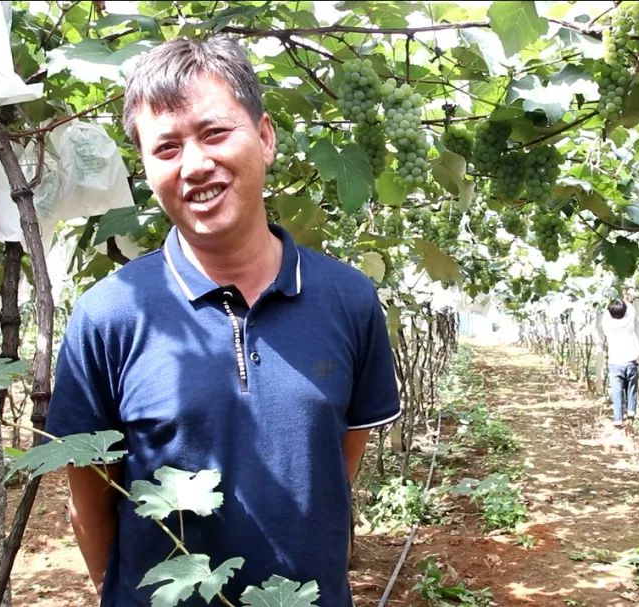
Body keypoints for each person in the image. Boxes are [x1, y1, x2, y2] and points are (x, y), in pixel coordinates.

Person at [45, 34, 401, 607]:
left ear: (264, 137)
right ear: (145, 168)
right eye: (166, 149)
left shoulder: (349, 299)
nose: (194, 164)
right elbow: (91, 497)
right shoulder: (109, 314)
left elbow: (335, 467)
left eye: (215, 133)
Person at [601, 298, 639, 428]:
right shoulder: (629, 321)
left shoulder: (607, 325)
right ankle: (631, 414)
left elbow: (605, 312)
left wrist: (611, 301)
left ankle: (618, 420)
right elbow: (631, 309)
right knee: (632, 390)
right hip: (630, 361)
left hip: (615, 364)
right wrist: (625, 299)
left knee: (617, 392)